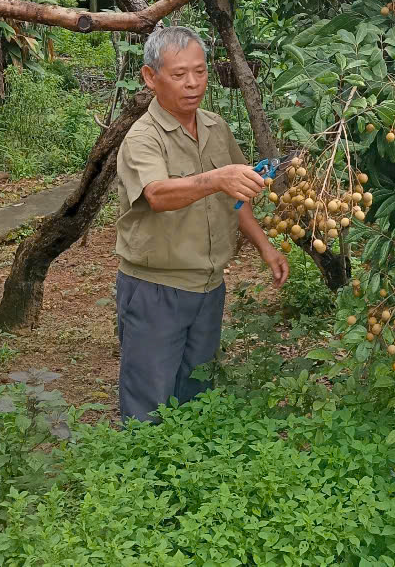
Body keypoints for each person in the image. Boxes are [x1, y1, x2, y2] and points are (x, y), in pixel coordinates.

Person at [113, 25, 289, 421]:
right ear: (150, 77)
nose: (193, 83)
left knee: (196, 392)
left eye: (200, 71)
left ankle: (187, 458)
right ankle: (144, 459)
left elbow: (235, 195)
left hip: (208, 286)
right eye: (179, 74)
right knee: (149, 400)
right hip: (156, 288)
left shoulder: (214, 127)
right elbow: (158, 195)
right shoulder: (143, 138)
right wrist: (215, 178)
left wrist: (266, 247)